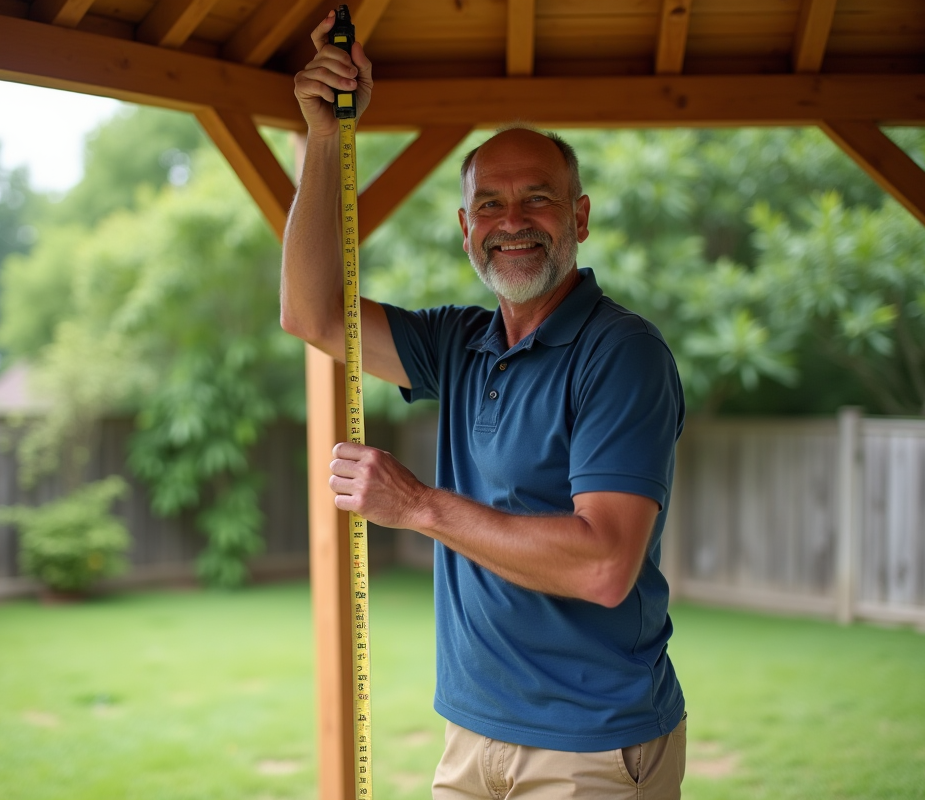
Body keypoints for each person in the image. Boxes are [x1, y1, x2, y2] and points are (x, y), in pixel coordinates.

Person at [282, 10, 687, 798]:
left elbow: (606, 564)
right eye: (491, 207)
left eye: (537, 201)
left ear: (580, 217)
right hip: (471, 733)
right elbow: (313, 314)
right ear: (466, 229)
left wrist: (420, 507)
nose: (512, 223)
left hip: (590, 748)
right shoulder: (460, 344)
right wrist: (326, 138)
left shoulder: (621, 354)